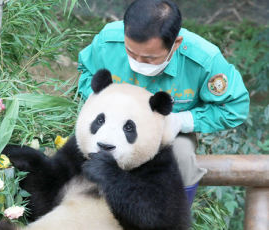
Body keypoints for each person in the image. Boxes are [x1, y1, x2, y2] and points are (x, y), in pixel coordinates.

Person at [77, 0, 250, 204]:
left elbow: (234, 108)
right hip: (111, 123)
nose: (138, 63)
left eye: (149, 59)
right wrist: (100, 99)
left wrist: (182, 121)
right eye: (131, 53)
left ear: (175, 44)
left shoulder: (204, 60)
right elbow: (86, 70)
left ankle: (174, 216)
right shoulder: (108, 41)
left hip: (167, 133)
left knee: (182, 158)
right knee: (81, 148)